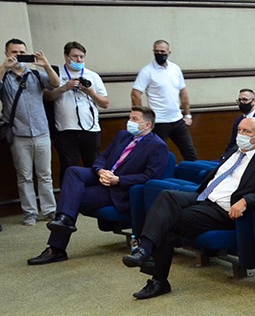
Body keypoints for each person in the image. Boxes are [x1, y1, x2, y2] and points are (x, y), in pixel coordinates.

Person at [121, 117, 255, 300]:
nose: (241, 134)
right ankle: (146, 251)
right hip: (203, 196)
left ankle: (155, 274)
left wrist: (246, 201)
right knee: (166, 196)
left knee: (168, 223)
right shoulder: (234, 150)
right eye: (239, 130)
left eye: (247, 131)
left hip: (222, 209)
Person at [28, 107, 169, 265]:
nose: (130, 122)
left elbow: (150, 177)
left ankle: (56, 248)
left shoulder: (157, 146)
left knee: (71, 199)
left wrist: (118, 180)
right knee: (73, 171)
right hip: (102, 176)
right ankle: (65, 220)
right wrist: (100, 170)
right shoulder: (123, 136)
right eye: (130, 118)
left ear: (148, 124)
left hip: (118, 189)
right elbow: (102, 157)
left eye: (135, 119)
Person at [2, 38, 60, 225]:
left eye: (22, 52)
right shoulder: (5, 76)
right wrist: (3, 67)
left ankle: (49, 210)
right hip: (18, 134)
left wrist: (46, 65)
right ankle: (30, 213)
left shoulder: (35, 74)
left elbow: (55, 83)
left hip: (41, 132)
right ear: (7, 53)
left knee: (45, 174)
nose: (18, 55)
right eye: (14, 52)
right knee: (24, 176)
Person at [47, 41, 109, 172]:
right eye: (75, 56)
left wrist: (90, 92)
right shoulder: (56, 73)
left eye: (81, 56)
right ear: (66, 56)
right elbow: (47, 97)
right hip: (66, 129)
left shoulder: (92, 76)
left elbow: (105, 103)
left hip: (91, 129)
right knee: (69, 168)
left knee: (93, 166)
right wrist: (65, 88)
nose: (79, 60)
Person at [131, 40, 197, 161]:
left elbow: (183, 92)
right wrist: (141, 118)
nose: (159, 54)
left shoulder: (175, 69)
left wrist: (188, 115)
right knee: (156, 155)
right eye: (156, 51)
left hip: (177, 120)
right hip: (159, 122)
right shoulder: (147, 71)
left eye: (162, 51)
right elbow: (135, 94)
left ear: (169, 52)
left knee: (190, 153)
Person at [222, 88, 255, 158]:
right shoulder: (238, 120)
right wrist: (225, 157)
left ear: (254, 101)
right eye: (239, 100)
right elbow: (233, 143)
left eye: (245, 100)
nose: (241, 102)